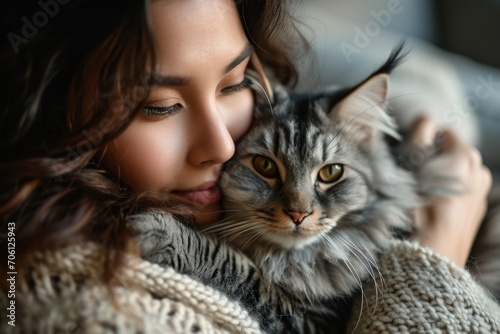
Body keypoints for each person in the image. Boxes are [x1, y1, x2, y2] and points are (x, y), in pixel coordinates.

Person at [0, 0, 498, 333]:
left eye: (234, 81)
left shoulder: (262, 113)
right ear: (52, 113)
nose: (222, 146)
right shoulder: (76, 304)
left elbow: (419, 78)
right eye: (158, 105)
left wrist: (426, 134)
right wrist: (436, 267)